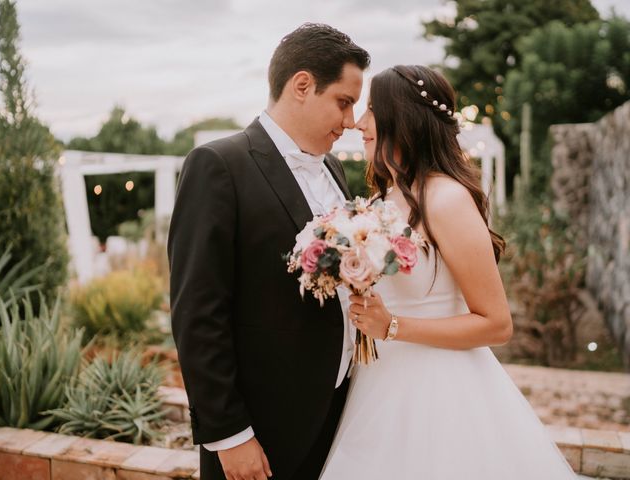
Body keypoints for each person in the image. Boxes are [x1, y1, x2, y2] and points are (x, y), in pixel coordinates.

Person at [319, 65, 576, 479]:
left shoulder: (447, 199)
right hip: (379, 385)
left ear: (403, 120)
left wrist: (393, 326)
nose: (360, 124)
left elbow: (497, 324)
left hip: (441, 395)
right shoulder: (386, 197)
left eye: (371, 110)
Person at [167, 23, 369, 480]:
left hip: (337, 414)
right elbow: (198, 313)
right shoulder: (219, 165)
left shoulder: (334, 169)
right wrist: (230, 435)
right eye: (344, 100)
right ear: (302, 85)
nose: (352, 120)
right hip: (260, 431)